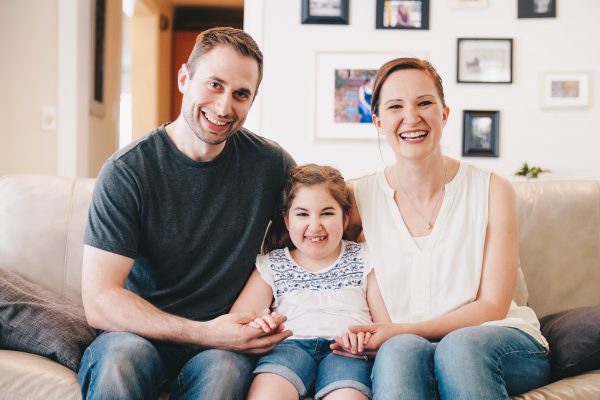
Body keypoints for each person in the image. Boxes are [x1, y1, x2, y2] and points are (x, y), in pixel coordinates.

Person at [78, 27, 296, 399]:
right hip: (135, 336)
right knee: (119, 360)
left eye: (240, 94)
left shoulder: (269, 163)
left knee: (225, 371)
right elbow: (100, 301)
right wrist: (206, 331)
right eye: (214, 84)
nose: (225, 106)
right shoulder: (128, 171)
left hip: (220, 349)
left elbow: (329, 216)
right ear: (184, 78)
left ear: (252, 99)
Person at [331, 58, 551, 399]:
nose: (411, 117)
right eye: (395, 107)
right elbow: (312, 257)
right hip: (406, 347)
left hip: (497, 340)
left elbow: (492, 305)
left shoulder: (493, 189)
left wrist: (401, 330)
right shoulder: (357, 198)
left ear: (444, 114)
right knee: (399, 352)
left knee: (457, 347)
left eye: (424, 103)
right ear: (378, 121)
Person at [231, 164, 390, 400]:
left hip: (347, 353)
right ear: (286, 220)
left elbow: (385, 324)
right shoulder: (272, 264)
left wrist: (365, 337)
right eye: (302, 214)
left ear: (345, 218)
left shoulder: (364, 257)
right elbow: (238, 322)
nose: (315, 225)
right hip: (288, 349)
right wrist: (260, 324)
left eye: (327, 213)